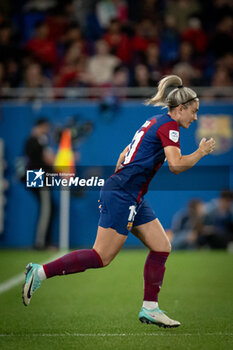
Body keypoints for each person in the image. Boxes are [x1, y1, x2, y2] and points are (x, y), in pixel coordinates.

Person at [22, 75, 216, 328]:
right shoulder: (170, 126)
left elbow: (126, 152)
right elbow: (176, 165)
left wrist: (123, 171)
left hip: (130, 194)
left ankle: (150, 308)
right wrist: (201, 152)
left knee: (161, 246)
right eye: (194, 111)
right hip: (123, 194)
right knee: (101, 257)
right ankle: (39, 272)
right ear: (180, 108)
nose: (196, 117)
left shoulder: (155, 120)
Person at [25, 118, 55, 249]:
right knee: (46, 209)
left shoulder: (40, 140)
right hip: (38, 176)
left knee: (49, 208)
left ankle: (42, 241)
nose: (47, 130)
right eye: (46, 127)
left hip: (39, 176)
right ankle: (41, 243)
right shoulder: (34, 140)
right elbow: (45, 160)